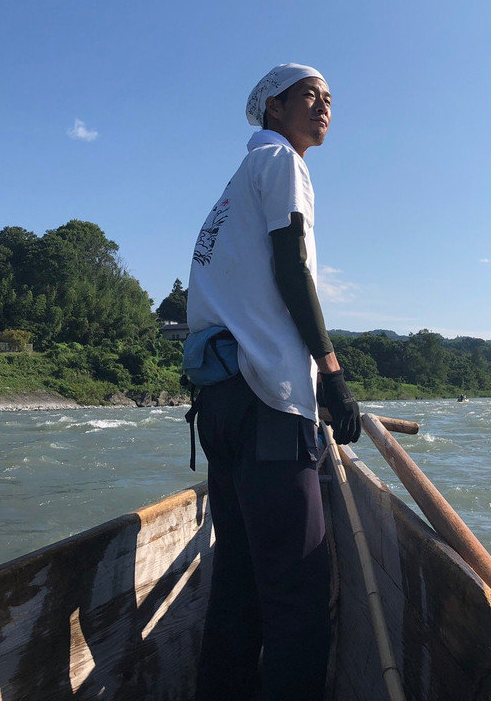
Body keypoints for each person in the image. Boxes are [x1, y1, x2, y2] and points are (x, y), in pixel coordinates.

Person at [186, 63, 362, 701]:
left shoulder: (235, 183)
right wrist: (334, 375)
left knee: (237, 587)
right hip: (269, 401)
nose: (324, 107)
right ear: (274, 107)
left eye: (329, 99)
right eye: (310, 96)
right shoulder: (282, 162)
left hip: (221, 406)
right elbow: (293, 269)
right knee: (299, 598)